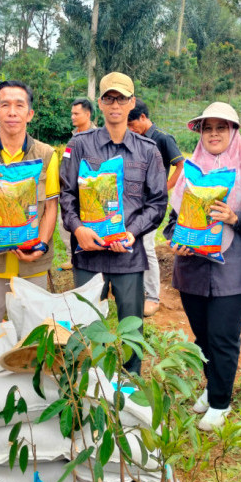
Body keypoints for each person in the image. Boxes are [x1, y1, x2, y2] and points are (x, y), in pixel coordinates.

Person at [163, 102, 241, 431]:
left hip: (233, 268)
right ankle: (212, 386)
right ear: (200, 134)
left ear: (234, 132)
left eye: (222, 127)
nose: (214, 133)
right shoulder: (190, 171)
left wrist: (235, 217)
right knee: (203, 335)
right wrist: (174, 240)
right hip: (191, 269)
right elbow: (174, 221)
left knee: (223, 336)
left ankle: (221, 402)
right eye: (208, 128)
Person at [60, 72, 167, 375]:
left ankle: (129, 381)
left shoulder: (148, 151)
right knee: (84, 322)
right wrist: (78, 228)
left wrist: (133, 233)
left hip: (128, 257)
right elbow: (67, 195)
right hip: (88, 254)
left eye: (122, 98)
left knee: (131, 326)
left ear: (132, 102)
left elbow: (157, 203)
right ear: (101, 103)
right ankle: (86, 380)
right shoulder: (80, 145)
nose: (115, 104)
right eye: (109, 98)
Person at [0, 81, 59, 327]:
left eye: (19, 105)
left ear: (30, 114)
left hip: (32, 261)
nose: (12, 112)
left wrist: (42, 245)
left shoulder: (47, 154)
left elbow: (50, 207)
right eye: (5, 105)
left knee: (32, 331)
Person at [128, 98, 185, 317]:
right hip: (135, 203)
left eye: (132, 124)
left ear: (143, 117)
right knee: (133, 242)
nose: (131, 129)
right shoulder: (135, 139)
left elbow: (181, 165)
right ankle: (137, 288)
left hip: (153, 204)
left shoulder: (162, 138)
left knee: (147, 246)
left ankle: (153, 297)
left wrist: (165, 188)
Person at [59, 98, 99, 271]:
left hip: (90, 190)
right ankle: (72, 258)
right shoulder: (74, 136)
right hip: (70, 190)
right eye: (72, 114)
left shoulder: (98, 136)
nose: (73, 117)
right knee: (66, 224)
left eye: (76, 113)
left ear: (88, 114)